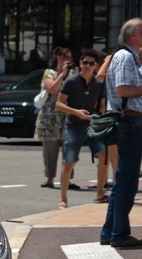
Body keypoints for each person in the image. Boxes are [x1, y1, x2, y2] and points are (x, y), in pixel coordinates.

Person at [100, 18, 142, 248]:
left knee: (122, 179)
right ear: (132, 35)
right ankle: (119, 234)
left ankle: (110, 231)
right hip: (132, 122)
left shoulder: (129, 57)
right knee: (127, 180)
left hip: (129, 122)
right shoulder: (126, 57)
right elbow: (123, 89)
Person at [56, 49, 106, 211]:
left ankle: (99, 193)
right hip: (73, 126)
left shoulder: (99, 84)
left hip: (92, 126)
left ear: (96, 66)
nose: (87, 66)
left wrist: (99, 117)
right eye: (85, 62)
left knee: (103, 156)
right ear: (80, 63)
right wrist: (76, 112)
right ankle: (63, 200)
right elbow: (59, 104)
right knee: (68, 162)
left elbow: (102, 106)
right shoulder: (71, 81)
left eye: (91, 63)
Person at [35, 47, 75, 189]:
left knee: (69, 148)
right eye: (66, 58)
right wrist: (62, 74)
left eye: (70, 58)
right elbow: (52, 89)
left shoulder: (73, 74)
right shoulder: (49, 73)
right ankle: (50, 178)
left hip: (67, 114)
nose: (68, 61)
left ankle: (68, 180)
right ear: (58, 57)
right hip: (50, 116)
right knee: (50, 150)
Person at [95, 48, 119, 189]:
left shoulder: (118, 71)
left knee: (115, 156)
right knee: (113, 156)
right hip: (116, 116)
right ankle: (118, 186)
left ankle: (118, 187)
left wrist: (109, 59)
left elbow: (100, 75)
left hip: (120, 116)